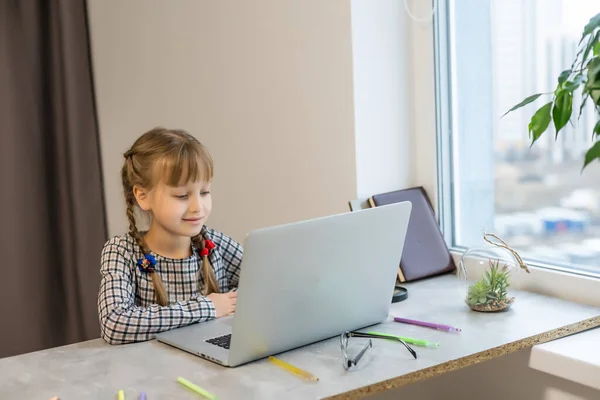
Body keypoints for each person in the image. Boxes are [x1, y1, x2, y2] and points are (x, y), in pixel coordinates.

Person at [97, 127, 242, 345]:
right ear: (143, 196)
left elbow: (267, 282)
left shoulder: (214, 244)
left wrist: (234, 300)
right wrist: (207, 307)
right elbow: (114, 323)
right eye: (182, 195)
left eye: (204, 192)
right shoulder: (121, 252)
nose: (198, 207)